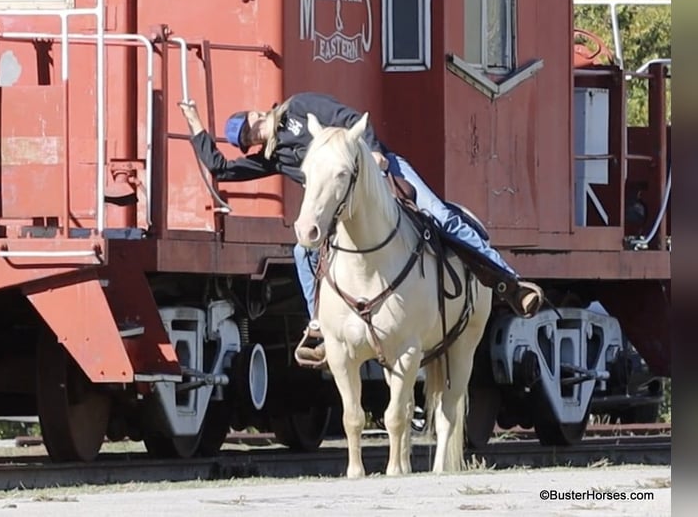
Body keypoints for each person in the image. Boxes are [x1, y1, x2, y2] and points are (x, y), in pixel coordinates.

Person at [178, 93, 544, 366]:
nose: (253, 137)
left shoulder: (300, 108)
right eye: (247, 140)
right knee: (302, 251)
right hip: (348, 209)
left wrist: (374, 152)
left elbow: (350, 117)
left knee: (442, 217)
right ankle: (319, 325)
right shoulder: (276, 157)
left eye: (250, 128)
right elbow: (222, 170)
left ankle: (510, 283)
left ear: (258, 114)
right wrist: (195, 125)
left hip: (384, 172)